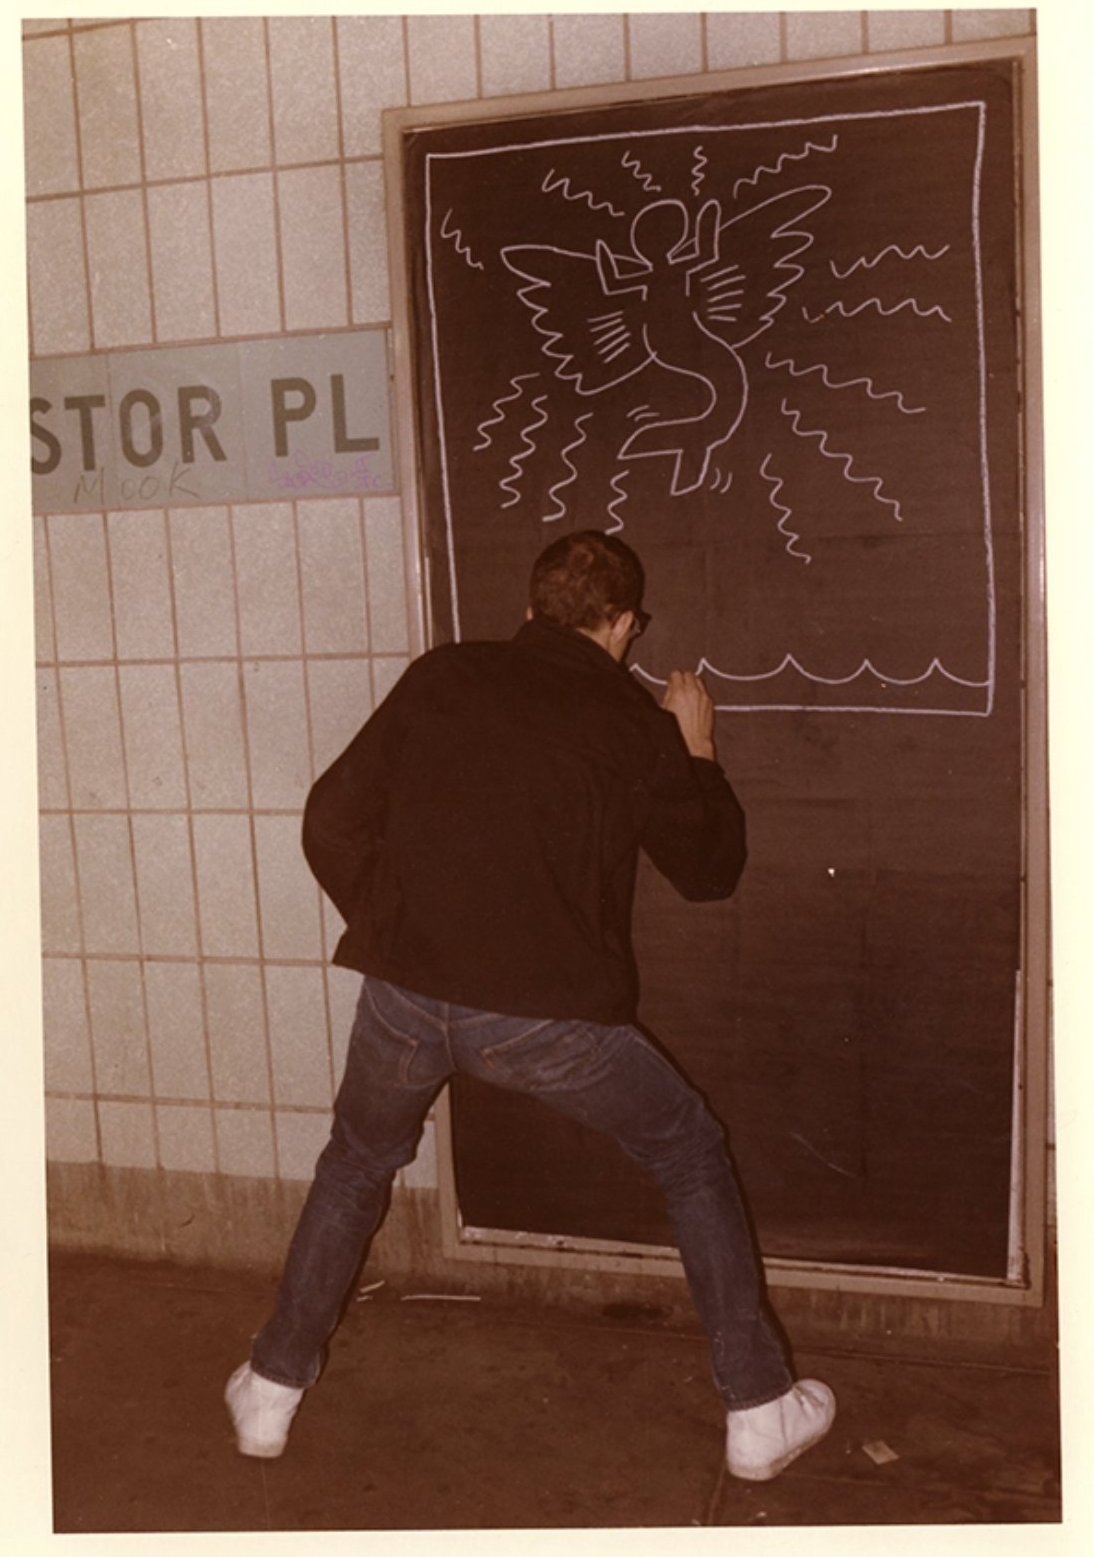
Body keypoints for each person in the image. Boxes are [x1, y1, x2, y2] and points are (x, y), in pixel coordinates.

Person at [225, 529, 834, 1480]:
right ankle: (758, 1407)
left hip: (405, 995)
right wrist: (700, 750)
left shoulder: (441, 677)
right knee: (687, 1150)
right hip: (552, 1026)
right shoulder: (635, 725)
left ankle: (269, 1392)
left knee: (356, 1163)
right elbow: (710, 873)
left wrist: (391, 927)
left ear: (532, 605)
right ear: (624, 625)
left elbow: (330, 817)